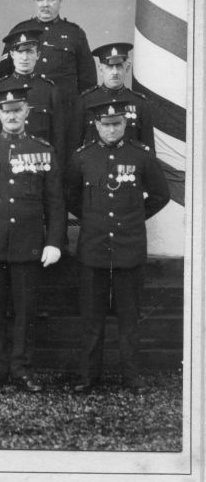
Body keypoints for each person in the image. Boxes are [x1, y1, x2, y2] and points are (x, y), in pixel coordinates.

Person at [0, 87, 66, 393]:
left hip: (28, 243)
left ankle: (22, 369)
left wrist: (54, 241)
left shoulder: (43, 149)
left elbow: (56, 202)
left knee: (25, 311)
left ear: (28, 111)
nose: (12, 115)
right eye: (6, 110)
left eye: (18, 110)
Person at [65, 100, 170, 394]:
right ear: (96, 125)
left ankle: (132, 377)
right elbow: (71, 195)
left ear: (125, 125)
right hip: (94, 247)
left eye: (117, 124)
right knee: (91, 317)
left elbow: (161, 194)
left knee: (129, 317)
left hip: (129, 246)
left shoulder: (141, 157)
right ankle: (88, 377)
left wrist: (135, 216)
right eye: (106, 124)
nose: (111, 129)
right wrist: (93, 218)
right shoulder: (82, 158)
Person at [0, 0, 97, 121]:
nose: (45, 4)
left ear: (61, 0)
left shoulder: (75, 34)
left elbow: (88, 83)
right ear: (34, 1)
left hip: (65, 113)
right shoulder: (19, 32)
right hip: (26, 114)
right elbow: (3, 78)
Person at [0, 30, 66, 160]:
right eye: (20, 52)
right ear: (11, 54)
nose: (24, 57)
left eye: (30, 52)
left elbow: (58, 137)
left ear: (38, 55)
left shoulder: (50, 90)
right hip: (5, 158)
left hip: (40, 160)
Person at [70, 42, 155, 152]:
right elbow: (74, 148)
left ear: (127, 68)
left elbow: (148, 150)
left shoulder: (140, 103)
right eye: (109, 67)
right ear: (101, 69)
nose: (114, 72)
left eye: (119, 67)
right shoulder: (85, 102)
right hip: (94, 166)